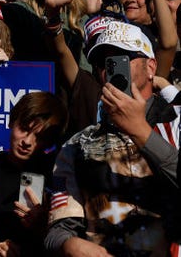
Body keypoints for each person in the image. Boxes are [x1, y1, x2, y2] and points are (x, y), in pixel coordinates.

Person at [45, 22, 181, 256]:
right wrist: (70, 244)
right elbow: (59, 229)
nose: (110, 69)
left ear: (151, 66)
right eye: (102, 63)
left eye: (122, 58)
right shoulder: (78, 144)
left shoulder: (178, 121)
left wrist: (141, 131)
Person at [0, 91, 68, 257]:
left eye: (39, 136)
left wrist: (43, 227)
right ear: (11, 122)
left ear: (50, 142)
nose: (27, 142)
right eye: (24, 129)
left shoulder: (57, 179)